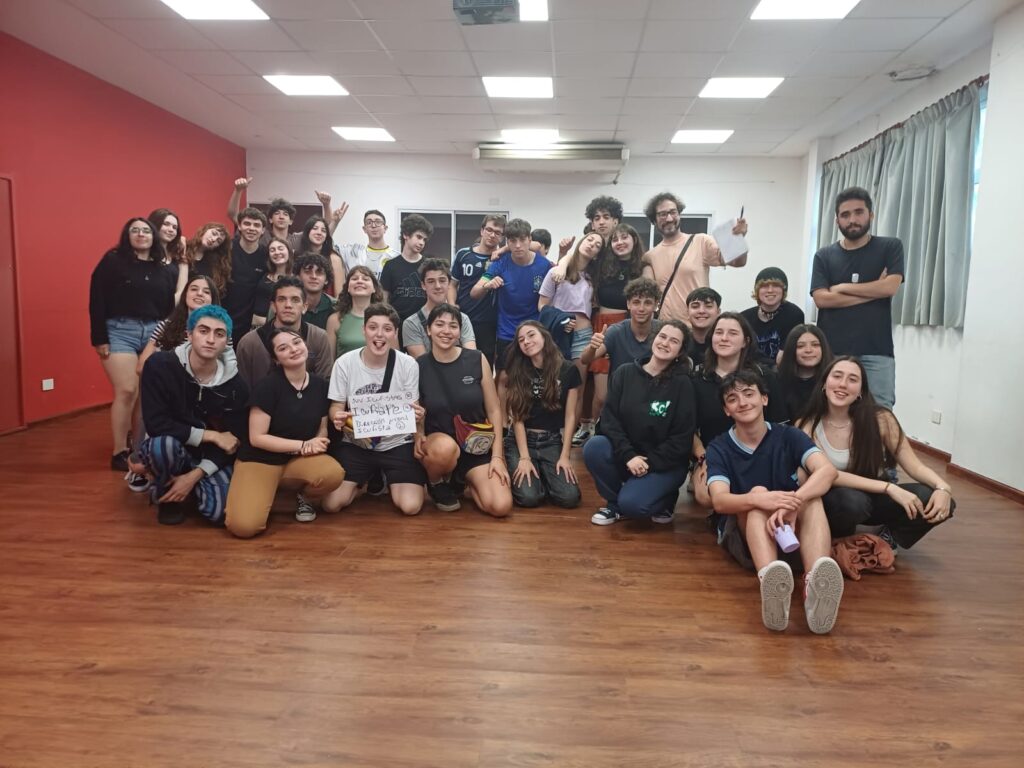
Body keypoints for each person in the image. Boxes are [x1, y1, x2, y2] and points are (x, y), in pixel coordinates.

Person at [706, 370, 843, 634]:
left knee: (812, 499)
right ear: (726, 410)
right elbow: (720, 501)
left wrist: (794, 502)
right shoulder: (719, 447)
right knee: (758, 495)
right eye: (733, 399)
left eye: (749, 394)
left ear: (764, 399)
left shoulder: (788, 435)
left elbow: (827, 471)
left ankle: (814, 585)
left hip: (791, 533)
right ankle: (770, 581)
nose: (742, 402)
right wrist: (759, 498)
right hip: (746, 538)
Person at [798, 357, 954, 551]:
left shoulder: (881, 419)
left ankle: (888, 539)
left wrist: (943, 488)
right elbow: (829, 474)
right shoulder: (807, 425)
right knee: (851, 501)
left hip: (874, 497)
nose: (843, 384)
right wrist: (889, 487)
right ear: (824, 383)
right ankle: (840, 541)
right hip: (836, 501)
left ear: (861, 391)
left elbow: (915, 466)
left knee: (934, 499)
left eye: (853, 379)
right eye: (837, 376)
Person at [224, 328, 346, 538]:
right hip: (260, 460)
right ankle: (262, 490)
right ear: (276, 359)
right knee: (243, 527)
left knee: (332, 474)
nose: (293, 349)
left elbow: (322, 425)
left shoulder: (320, 385)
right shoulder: (267, 387)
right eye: (283, 348)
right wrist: (303, 445)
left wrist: (319, 441)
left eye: (297, 342)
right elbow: (257, 438)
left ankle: (302, 496)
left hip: (297, 460)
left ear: (305, 345)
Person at [138, 306, 248, 525]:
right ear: (189, 334)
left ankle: (189, 487)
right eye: (203, 331)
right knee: (162, 447)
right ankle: (167, 495)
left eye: (219, 334)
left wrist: (194, 476)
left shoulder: (236, 385)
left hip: (209, 456)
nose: (210, 339)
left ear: (226, 342)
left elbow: (231, 441)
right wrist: (212, 435)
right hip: (171, 444)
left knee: (219, 513)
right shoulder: (159, 366)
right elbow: (156, 424)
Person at [584, 320, 696, 525]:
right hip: (629, 458)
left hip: (665, 464)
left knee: (634, 505)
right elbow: (609, 421)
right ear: (654, 339)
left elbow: (681, 438)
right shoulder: (625, 373)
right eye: (662, 337)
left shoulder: (683, 384)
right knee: (595, 447)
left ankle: (665, 498)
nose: (665, 343)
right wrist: (629, 456)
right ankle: (614, 504)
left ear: (680, 352)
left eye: (674, 341)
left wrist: (647, 463)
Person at [89, 217, 177, 471]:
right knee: (127, 390)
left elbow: (168, 308)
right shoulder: (113, 261)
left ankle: (138, 448)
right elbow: (97, 298)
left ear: (153, 236)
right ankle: (119, 451)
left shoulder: (163, 268)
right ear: (127, 235)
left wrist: (165, 337)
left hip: (153, 332)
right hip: (119, 331)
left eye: (145, 230)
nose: (140, 234)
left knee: (144, 393)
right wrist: (99, 337)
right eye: (135, 230)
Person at [322, 304, 426, 517]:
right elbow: (335, 407)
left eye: (387, 329)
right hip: (357, 443)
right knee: (331, 504)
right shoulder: (344, 363)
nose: (379, 334)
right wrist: (337, 416)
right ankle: (365, 478)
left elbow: (413, 407)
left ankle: (386, 476)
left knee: (410, 507)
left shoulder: (408, 364)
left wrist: (418, 418)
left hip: (397, 443)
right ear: (364, 330)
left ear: (395, 333)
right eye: (373, 327)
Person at [811, 186, 905, 409]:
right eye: (845, 215)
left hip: (877, 350)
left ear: (871, 215)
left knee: (880, 412)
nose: (852, 220)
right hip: (833, 350)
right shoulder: (824, 256)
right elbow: (822, 300)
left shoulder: (890, 247)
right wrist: (875, 291)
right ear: (837, 221)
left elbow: (890, 287)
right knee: (832, 410)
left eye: (858, 212)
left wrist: (842, 287)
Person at [415, 304, 511, 516]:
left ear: (460, 331)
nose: (446, 331)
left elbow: (494, 411)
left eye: (453, 326)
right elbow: (416, 410)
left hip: (476, 445)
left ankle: (461, 480)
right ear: (429, 329)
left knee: (501, 506)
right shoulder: (419, 365)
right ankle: (436, 482)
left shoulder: (477, 358)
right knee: (445, 449)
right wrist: (418, 434)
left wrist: (497, 457)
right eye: (439, 324)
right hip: (441, 446)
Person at [690, 313, 786, 507]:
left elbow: (780, 424)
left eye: (733, 333)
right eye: (719, 332)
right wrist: (704, 457)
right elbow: (688, 429)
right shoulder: (697, 379)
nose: (724, 338)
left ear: (745, 341)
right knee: (705, 496)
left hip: (760, 452)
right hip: (714, 454)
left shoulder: (764, 376)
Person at [469, 218, 552, 406]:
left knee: (534, 376)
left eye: (522, 240)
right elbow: (474, 292)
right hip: (507, 331)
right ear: (507, 242)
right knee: (504, 377)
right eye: (512, 241)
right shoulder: (500, 263)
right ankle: (503, 420)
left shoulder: (544, 265)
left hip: (534, 329)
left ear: (529, 239)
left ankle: (529, 417)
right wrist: (488, 285)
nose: (518, 245)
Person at [503, 320, 582, 509]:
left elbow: (570, 416)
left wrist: (565, 455)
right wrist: (524, 458)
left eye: (531, 335)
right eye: (521, 340)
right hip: (521, 441)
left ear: (544, 336)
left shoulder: (568, 369)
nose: (526, 341)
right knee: (529, 498)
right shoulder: (518, 370)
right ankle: (532, 473)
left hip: (551, 441)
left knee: (569, 498)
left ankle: (545, 475)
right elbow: (518, 418)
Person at [641, 192, 748, 325]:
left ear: (679, 214)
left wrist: (739, 239)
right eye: (662, 214)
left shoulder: (701, 242)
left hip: (697, 327)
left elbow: (738, 262)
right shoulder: (650, 256)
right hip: (666, 329)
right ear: (654, 220)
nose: (669, 218)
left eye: (673, 212)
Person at [538, 231, 602, 443]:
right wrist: (561, 320)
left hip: (584, 335)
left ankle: (567, 435)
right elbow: (542, 306)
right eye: (590, 239)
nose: (592, 245)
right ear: (582, 241)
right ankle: (550, 431)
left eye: (598, 245)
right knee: (553, 384)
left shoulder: (594, 277)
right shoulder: (557, 271)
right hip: (558, 334)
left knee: (577, 387)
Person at [584, 227, 648, 421]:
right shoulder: (603, 264)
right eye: (615, 239)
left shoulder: (643, 266)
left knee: (627, 388)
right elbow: (577, 257)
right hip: (603, 326)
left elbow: (650, 295)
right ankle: (594, 428)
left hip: (631, 326)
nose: (619, 242)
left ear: (634, 239)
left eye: (624, 237)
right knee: (602, 395)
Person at [235, 276, 333, 391]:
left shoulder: (319, 337)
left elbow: (325, 386)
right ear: (273, 306)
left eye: (295, 300)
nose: (288, 305)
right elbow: (243, 390)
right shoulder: (249, 343)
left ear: (304, 307)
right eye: (282, 299)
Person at [450, 215, 505, 363]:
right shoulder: (463, 254)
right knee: (460, 362)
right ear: (482, 231)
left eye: (498, 233)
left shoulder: (503, 259)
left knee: (484, 364)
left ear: (502, 237)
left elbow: (535, 246)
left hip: (489, 322)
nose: (492, 235)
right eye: (489, 230)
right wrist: (452, 305)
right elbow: (452, 285)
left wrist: (505, 249)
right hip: (463, 318)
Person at [582, 277, 662, 377]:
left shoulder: (663, 331)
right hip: (620, 386)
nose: (641, 308)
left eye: (647, 303)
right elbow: (585, 359)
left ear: (655, 305)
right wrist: (592, 347)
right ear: (628, 304)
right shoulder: (616, 331)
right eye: (636, 302)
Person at [404, 259, 475, 357]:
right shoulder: (411, 324)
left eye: (442, 280)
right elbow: (421, 363)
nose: (437, 286)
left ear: (449, 283)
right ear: (423, 285)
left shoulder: (463, 319)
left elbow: (472, 358)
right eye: (431, 281)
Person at [221, 206, 269, 347]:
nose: (251, 228)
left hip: (250, 324)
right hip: (222, 317)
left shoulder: (266, 255)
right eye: (247, 223)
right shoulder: (226, 249)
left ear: (263, 230)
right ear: (239, 226)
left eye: (257, 225)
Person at [740, 267, 804, 367]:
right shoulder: (744, 317)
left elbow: (784, 356)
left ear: (783, 290)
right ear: (757, 291)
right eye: (764, 286)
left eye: (776, 286)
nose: (770, 290)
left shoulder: (794, 314)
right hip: (751, 369)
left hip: (782, 369)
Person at [381, 214, 432, 331]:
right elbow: (384, 300)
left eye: (424, 239)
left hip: (423, 327)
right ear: (406, 235)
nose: (422, 242)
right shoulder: (390, 266)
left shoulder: (428, 265)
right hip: (396, 326)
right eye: (418, 237)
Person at [776, 324, 833, 424]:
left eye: (815, 345)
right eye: (800, 346)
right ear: (791, 350)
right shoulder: (777, 382)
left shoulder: (833, 381)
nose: (808, 350)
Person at [325, 265, 384, 360]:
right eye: (354, 279)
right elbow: (329, 361)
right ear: (348, 288)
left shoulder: (385, 319)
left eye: (365, 279)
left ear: (374, 289)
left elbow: (395, 357)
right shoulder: (334, 320)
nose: (360, 281)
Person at [335, 209, 399, 280]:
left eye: (378, 222)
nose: (373, 225)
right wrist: (334, 222)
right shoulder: (353, 251)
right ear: (364, 229)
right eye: (369, 222)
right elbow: (327, 245)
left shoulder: (396, 256)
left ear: (385, 228)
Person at [252, 237, 294, 329]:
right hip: (256, 327)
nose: (277, 252)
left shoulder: (295, 280)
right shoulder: (264, 274)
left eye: (280, 248)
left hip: (277, 329)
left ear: (289, 252)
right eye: (272, 250)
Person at [186, 222, 231, 296]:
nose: (214, 239)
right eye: (214, 233)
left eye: (218, 241)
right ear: (205, 230)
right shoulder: (183, 247)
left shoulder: (213, 265)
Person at [293, 252, 336, 330]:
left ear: (326, 279)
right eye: (308, 272)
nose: (314, 276)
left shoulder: (335, 307)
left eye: (319, 272)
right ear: (298, 277)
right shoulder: (286, 304)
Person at [684, 287, 721, 368]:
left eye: (708, 306)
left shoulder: (725, 343)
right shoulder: (680, 344)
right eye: (695, 306)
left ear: (718, 312)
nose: (701, 311)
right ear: (687, 313)